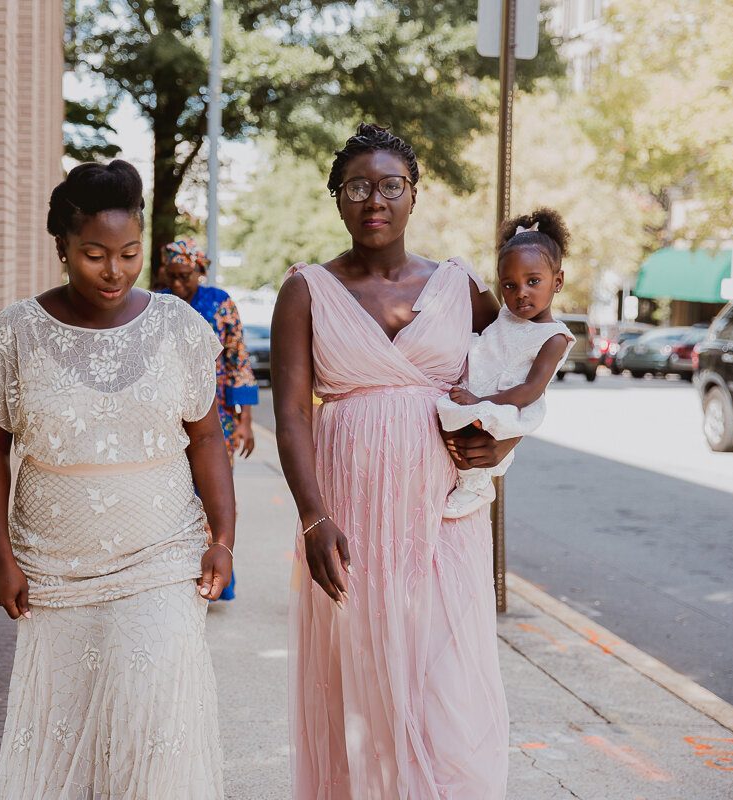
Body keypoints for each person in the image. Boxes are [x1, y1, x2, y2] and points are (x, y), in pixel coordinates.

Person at [0, 159, 234, 800]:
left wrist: (222, 537)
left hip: (161, 553)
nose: (114, 271)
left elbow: (206, 440)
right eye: (94, 255)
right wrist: (0, 560)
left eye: (129, 253)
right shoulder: (15, 334)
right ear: (61, 246)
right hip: (55, 565)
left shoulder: (178, 328)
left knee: (153, 720)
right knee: (67, 728)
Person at [271, 123, 513, 799]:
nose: (374, 198)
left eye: (390, 184)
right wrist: (314, 517)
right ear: (337, 200)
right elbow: (290, 412)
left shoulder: (460, 286)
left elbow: (512, 375)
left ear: (413, 195)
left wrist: (505, 443)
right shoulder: (306, 290)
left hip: (440, 524)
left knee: (447, 696)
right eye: (357, 186)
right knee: (364, 698)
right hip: (347, 522)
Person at [436, 209, 576, 518]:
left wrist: (480, 400)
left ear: (558, 281)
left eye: (533, 281)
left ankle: (475, 484)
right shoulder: (504, 316)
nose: (521, 292)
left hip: (507, 401)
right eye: (509, 285)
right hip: (479, 387)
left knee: (465, 430)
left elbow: (531, 389)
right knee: (444, 420)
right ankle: (470, 478)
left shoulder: (554, 337)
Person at [159, 238, 259, 601]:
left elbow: (238, 361)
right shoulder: (158, 303)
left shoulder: (220, 304)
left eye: (184, 276)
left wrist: (245, 421)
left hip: (217, 418)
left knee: (214, 494)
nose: (177, 284)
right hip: (166, 418)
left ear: (199, 270)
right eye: (170, 276)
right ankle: (175, 575)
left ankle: (217, 575)